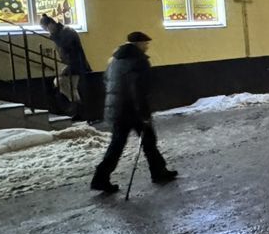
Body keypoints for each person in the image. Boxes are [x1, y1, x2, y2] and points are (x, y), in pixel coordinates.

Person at [90, 31, 177, 193]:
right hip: (133, 110)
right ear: (138, 44)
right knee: (149, 140)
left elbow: (106, 80)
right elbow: (138, 89)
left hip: (117, 109)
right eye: (145, 43)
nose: (147, 46)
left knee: (117, 145)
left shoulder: (115, 60)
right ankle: (158, 172)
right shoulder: (139, 61)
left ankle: (100, 178)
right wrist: (144, 114)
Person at [39, 13, 92, 117]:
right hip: (74, 64)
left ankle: (77, 107)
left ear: (50, 25)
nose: (47, 32)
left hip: (75, 64)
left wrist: (68, 67)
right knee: (70, 87)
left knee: (63, 83)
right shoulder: (64, 32)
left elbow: (70, 51)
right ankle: (77, 108)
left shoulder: (66, 33)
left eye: (46, 29)